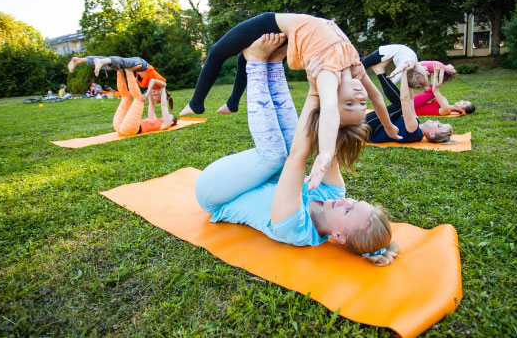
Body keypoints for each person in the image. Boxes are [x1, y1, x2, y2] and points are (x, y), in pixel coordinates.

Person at [195, 35, 399, 267]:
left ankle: (256, 63)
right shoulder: (334, 196)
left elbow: (297, 156)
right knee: (287, 148)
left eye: (347, 212)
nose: (345, 202)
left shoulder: (295, 229)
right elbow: (326, 139)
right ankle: (273, 65)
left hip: (216, 195)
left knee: (276, 156)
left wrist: (314, 93)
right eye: (355, 202)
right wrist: (332, 85)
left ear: (339, 237)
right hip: (250, 181)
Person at [180, 13, 400, 189]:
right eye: (362, 105)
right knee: (242, 56)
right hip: (290, 32)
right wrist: (389, 129)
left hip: (273, 23)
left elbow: (331, 111)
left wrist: (325, 153)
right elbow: (378, 98)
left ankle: (197, 103)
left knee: (218, 51)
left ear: (330, 95)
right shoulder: (355, 68)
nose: (361, 98)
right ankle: (232, 103)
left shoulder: (327, 75)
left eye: (350, 104)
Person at [365, 59, 453, 144]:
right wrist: (411, 75)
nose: (437, 121)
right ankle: (379, 71)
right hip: (367, 127)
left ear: (432, 134)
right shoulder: (415, 126)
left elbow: (405, 101)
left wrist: (406, 73)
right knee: (400, 106)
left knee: (400, 106)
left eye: (439, 125)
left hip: (365, 130)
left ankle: (379, 71)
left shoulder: (414, 131)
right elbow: (410, 100)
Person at [113, 70, 176, 136]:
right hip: (120, 125)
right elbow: (151, 104)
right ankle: (120, 72)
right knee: (126, 97)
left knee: (139, 99)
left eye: (169, 116)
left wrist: (163, 89)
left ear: (171, 122)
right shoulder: (153, 119)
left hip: (130, 129)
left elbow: (163, 105)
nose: (165, 115)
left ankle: (129, 72)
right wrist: (150, 90)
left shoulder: (165, 124)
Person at [361, 44, 429, 90]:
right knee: (359, 67)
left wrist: (394, 74)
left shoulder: (410, 63)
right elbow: (401, 72)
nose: (428, 72)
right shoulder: (413, 61)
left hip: (382, 53)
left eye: (426, 74)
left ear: (416, 74)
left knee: (360, 67)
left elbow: (401, 68)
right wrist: (394, 78)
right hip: (384, 52)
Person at [68, 56, 148, 77]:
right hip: (141, 62)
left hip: (137, 62)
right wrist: (129, 71)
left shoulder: (141, 74)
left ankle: (79, 60)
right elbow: (139, 65)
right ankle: (101, 61)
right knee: (122, 62)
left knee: (108, 62)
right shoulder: (145, 68)